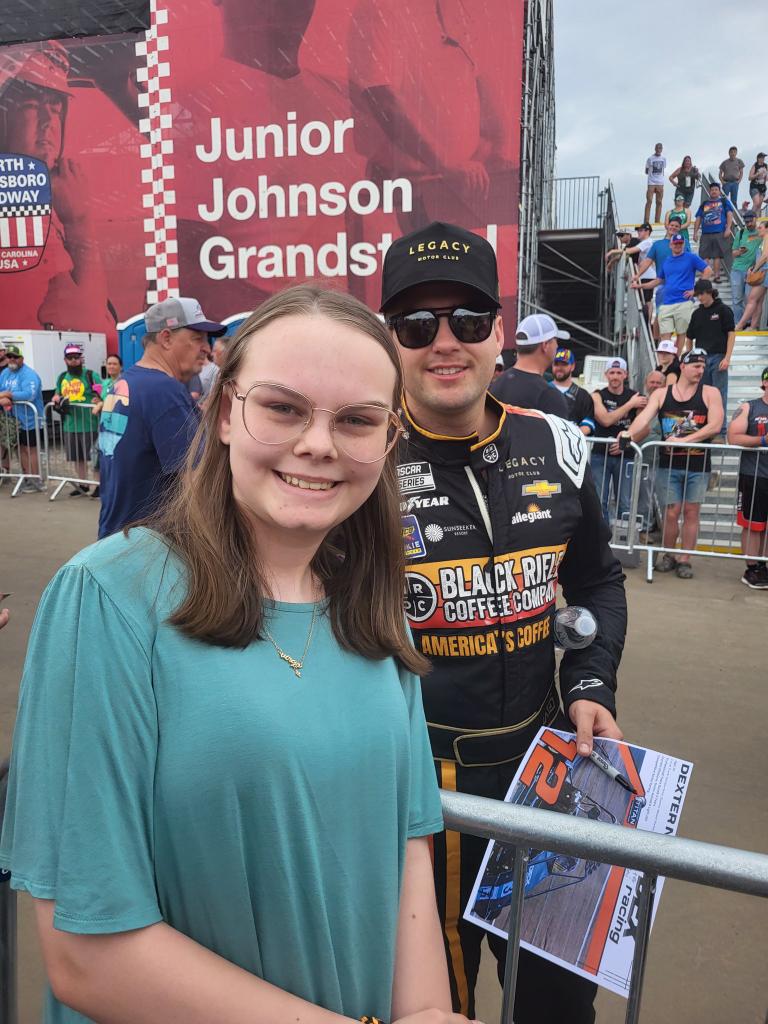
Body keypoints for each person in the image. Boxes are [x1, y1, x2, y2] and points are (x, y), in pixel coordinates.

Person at [0, 284, 460, 1024]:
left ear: (388, 441)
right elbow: (86, 953)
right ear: (221, 415)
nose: (319, 443)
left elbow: (407, 853)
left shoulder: (372, 609)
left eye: (356, 420)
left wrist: (426, 1016)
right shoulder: (109, 599)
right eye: (282, 407)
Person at [380, 219, 627, 1024]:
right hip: (412, 793)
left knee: (558, 1008)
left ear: (499, 333)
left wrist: (590, 681)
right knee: (432, 1007)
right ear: (392, 338)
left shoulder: (556, 442)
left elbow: (596, 577)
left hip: (546, 768)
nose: (444, 342)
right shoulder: (355, 457)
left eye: (468, 320)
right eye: (418, 324)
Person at [0, 41, 109, 332]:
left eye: (56, 106)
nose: (49, 122)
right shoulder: (18, 208)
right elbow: (91, 327)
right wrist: (80, 223)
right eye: (32, 106)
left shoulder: (44, 200)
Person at [98, 297, 226, 539]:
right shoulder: (164, 390)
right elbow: (196, 482)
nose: (207, 348)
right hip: (149, 544)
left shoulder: (127, 383)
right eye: (197, 338)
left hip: (116, 536)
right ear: (166, 338)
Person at [620, 349, 724, 579]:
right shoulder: (662, 394)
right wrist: (628, 433)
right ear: (683, 367)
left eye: (703, 366)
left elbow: (715, 425)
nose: (701, 370)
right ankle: (668, 553)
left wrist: (683, 440)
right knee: (670, 512)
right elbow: (644, 417)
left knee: (691, 511)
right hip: (669, 464)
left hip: (698, 464)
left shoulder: (710, 392)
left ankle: (685, 559)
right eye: (696, 366)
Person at [591, 358, 646, 525]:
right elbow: (606, 420)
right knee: (600, 500)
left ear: (625, 375)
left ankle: (622, 543)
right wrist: (630, 405)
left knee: (625, 502)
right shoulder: (597, 395)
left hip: (626, 455)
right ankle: (602, 540)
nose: (615, 376)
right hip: (601, 455)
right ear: (606, 374)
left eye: (619, 372)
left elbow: (645, 429)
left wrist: (626, 443)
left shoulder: (637, 397)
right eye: (612, 372)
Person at [727, 366, 768, 589]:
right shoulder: (750, 407)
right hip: (755, 474)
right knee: (753, 525)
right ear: (765, 382)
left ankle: (764, 565)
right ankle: (753, 568)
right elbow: (733, 437)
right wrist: (762, 441)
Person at [632, 233, 710, 344]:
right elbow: (658, 280)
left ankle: (676, 360)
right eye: (675, 243)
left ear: (683, 244)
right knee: (664, 334)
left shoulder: (691, 257)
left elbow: (708, 271)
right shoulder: (667, 261)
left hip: (684, 301)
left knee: (681, 334)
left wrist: (696, 291)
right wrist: (640, 286)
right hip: (667, 302)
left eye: (680, 243)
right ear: (670, 245)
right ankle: (667, 358)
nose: (678, 245)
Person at [489, 314, 569, 415]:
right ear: (545, 345)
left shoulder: (496, 386)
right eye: (555, 340)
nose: (557, 345)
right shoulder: (549, 396)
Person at [51, 344, 103, 496]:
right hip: (70, 425)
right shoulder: (62, 377)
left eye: (76, 357)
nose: (73, 360)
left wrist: (98, 399)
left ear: (81, 359)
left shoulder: (91, 375)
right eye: (70, 358)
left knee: (95, 459)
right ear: (65, 360)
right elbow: (57, 394)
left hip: (90, 424)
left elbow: (102, 394)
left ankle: (99, 485)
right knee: (77, 458)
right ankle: (83, 485)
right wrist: (56, 398)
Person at [684, 280, 735, 422]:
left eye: (702, 294)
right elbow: (689, 337)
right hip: (701, 359)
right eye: (698, 294)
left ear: (710, 292)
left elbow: (731, 334)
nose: (700, 297)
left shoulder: (724, 310)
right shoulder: (697, 313)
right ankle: (703, 426)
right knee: (701, 394)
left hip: (719, 356)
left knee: (719, 395)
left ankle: (720, 430)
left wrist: (727, 358)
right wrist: (690, 357)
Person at [0, 344, 45, 491]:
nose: (12, 359)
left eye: (15, 357)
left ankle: (36, 479)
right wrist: (3, 399)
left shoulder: (29, 374)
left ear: (22, 359)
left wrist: (10, 395)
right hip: (13, 420)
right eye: (9, 357)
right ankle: (27, 477)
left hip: (31, 419)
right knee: (20, 449)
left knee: (30, 450)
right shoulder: (5, 373)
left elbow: (29, 394)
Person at [693, 182, 734, 283]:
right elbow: (698, 218)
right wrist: (695, 232)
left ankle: (716, 276)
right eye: (712, 190)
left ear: (719, 191)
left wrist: (728, 228)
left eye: (716, 189)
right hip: (705, 234)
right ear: (709, 192)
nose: (714, 191)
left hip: (719, 232)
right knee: (704, 255)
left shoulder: (724, 202)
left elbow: (729, 214)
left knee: (717, 256)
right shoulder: (704, 204)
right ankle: (705, 276)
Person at [549, 347, 595, 435]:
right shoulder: (543, 390)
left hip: (572, 445)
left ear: (572, 366)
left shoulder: (583, 395)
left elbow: (588, 424)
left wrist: (569, 436)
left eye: (564, 364)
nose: (559, 368)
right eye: (556, 364)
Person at [735, 219, 768, 331]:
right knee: (758, 301)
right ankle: (753, 326)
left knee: (752, 299)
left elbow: (765, 256)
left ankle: (739, 326)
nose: (758, 229)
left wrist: (754, 270)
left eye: (760, 227)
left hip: (764, 272)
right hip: (763, 271)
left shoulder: (767, 237)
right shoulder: (763, 239)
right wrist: (754, 267)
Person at [730, 210, 761, 323]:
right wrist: (740, 251)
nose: (749, 224)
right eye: (746, 222)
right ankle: (738, 323)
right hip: (737, 270)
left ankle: (748, 322)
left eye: (750, 221)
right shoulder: (741, 233)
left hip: (753, 271)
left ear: (756, 218)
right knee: (737, 298)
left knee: (750, 298)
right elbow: (733, 253)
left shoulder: (761, 232)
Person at [624, 223, 656, 323]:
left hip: (647, 274)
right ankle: (646, 322)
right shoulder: (647, 242)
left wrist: (616, 251)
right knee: (646, 300)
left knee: (647, 301)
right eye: (638, 230)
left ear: (647, 231)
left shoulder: (647, 242)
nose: (638, 232)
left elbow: (631, 251)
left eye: (641, 230)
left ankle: (647, 322)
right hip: (646, 274)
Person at [644, 143, 666, 223]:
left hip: (660, 183)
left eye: (660, 148)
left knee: (659, 202)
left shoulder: (664, 159)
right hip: (651, 182)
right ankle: (646, 221)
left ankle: (657, 221)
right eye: (657, 148)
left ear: (662, 149)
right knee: (649, 200)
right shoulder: (650, 159)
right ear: (655, 148)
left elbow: (663, 169)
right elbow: (646, 170)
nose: (659, 149)